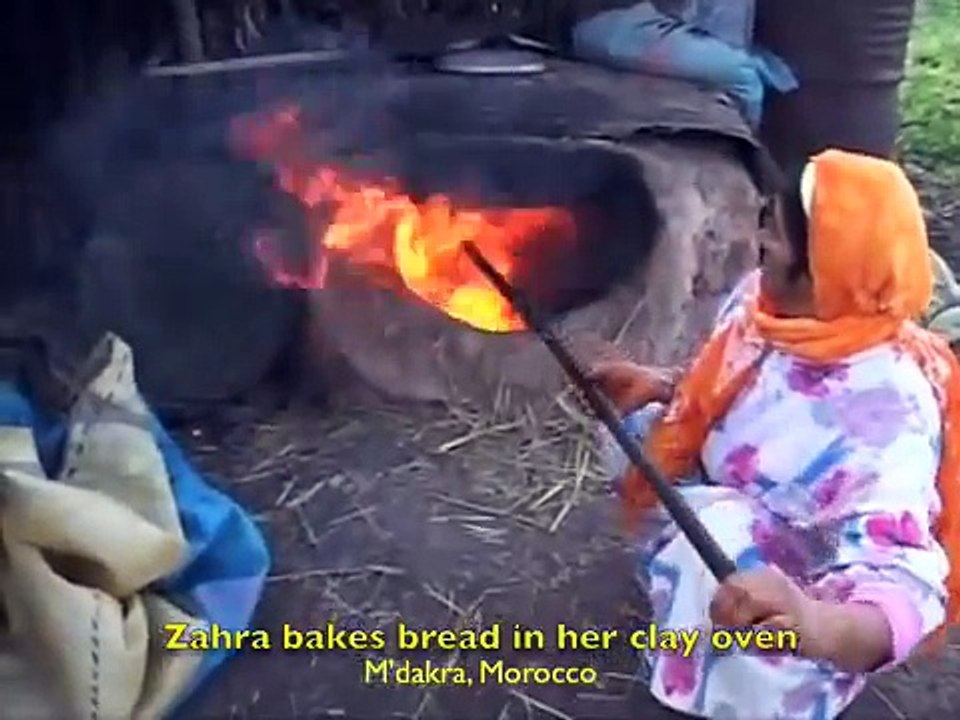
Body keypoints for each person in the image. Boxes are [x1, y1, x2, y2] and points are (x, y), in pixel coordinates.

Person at [591, 148, 960, 719]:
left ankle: (752, 694)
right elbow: (747, 386)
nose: (760, 242)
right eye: (767, 222)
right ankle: (684, 603)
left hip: (801, 578)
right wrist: (665, 386)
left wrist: (813, 622)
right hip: (736, 503)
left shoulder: (884, 412)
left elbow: (905, 584)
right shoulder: (768, 307)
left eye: (777, 236)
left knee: (717, 539)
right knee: (638, 434)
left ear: (826, 268)